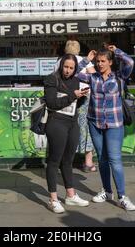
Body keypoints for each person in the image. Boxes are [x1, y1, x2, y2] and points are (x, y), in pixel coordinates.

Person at [77, 45, 135, 211]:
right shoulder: (92, 77)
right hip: (95, 123)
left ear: (110, 62)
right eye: (98, 61)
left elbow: (130, 62)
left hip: (114, 124)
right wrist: (86, 60)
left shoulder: (119, 76)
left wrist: (117, 50)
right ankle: (107, 191)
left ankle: (122, 196)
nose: (100, 64)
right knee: (102, 159)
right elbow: (73, 73)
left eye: (103, 61)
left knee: (115, 160)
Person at [44, 53, 90, 214]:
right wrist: (73, 96)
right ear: (61, 65)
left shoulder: (76, 81)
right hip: (56, 122)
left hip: (72, 123)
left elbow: (77, 104)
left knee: (68, 160)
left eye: (71, 68)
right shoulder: (52, 79)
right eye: (66, 66)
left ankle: (71, 195)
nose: (68, 70)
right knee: (54, 161)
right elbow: (52, 103)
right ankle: (53, 199)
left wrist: (82, 96)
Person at [54, 40, 96, 172]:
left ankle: (65, 161)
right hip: (84, 96)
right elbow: (94, 77)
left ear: (66, 49)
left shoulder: (61, 62)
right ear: (78, 49)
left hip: (66, 97)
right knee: (85, 127)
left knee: (65, 127)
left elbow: (54, 79)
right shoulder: (84, 61)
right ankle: (88, 162)